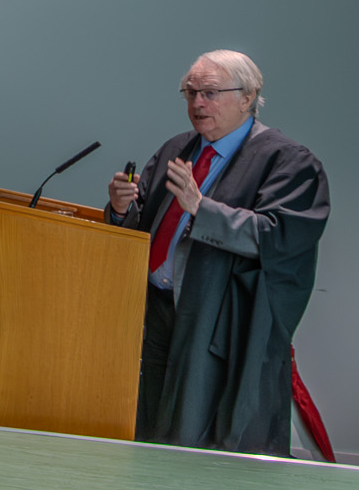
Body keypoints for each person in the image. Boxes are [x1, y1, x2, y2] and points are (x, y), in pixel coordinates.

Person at [106, 50, 330, 455]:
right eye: (190, 93)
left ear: (248, 97)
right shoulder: (180, 148)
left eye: (209, 93)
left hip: (220, 321)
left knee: (199, 435)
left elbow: (280, 238)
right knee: (144, 421)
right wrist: (122, 210)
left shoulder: (289, 162)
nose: (197, 104)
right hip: (156, 311)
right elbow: (149, 228)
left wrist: (201, 208)